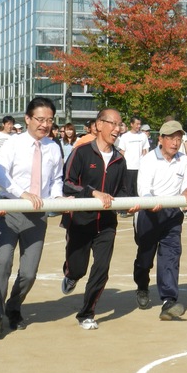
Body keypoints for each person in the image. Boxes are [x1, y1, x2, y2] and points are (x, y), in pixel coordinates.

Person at [0, 97, 63, 337]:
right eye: (40, 119)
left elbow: (57, 178)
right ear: (27, 119)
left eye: (49, 120)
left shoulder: (53, 147)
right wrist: (22, 194)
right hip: (11, 209)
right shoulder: (13, 144)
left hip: (38, 216)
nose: (45, 124)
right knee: (4, 261)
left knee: (29, 272)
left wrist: (57, 198)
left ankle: (14, 306)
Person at [60, 109, 138, 330]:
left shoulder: (120, 159)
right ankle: (71, 274)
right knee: (78, 268)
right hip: (79, 221)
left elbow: (124, 191)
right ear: (99, 124)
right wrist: (93, 193)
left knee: (101, 268)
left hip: (106, 224)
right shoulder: (81, 152)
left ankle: (86, 313)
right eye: (113, 124)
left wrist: (126, 205)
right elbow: (67, 183)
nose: (117, 129)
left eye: (120, 124)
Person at [133, 120, 187, 320]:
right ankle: (142, 286)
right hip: (149, 214)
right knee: (145, 258)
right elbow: (144, 188)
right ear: (161, 139)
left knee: (171, 256)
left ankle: (168, 301)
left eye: (178, 139)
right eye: (171, 138)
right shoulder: (149, 159)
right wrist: (151, 202)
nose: (175, 143)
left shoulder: (183, 160)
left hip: (172, 215)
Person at [117, 115, 149, 217]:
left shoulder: (143, 136)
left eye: (140, 124)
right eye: (137, 124)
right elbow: (122, 151)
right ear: (131, 124)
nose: (138, 126)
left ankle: (138, 208)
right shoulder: (125, 137)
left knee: (138, 189)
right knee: (127, 189)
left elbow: (145, 151)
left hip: (140, 168)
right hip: (128, 167)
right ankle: (125, 209)